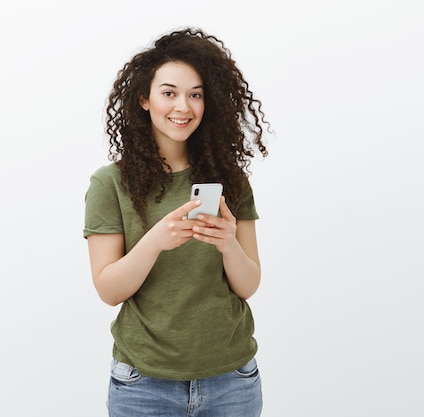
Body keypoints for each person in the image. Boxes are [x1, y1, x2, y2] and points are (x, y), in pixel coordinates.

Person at [83, 27, 270, 417]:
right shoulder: (110, 184)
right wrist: (155, 240)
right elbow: (109, 290)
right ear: (144, 99)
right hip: (143, 385)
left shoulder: (231, 180)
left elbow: (249, 284)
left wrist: (228, 243)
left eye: (195, 94)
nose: (182, 106)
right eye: (169, 92)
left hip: (231, 381)